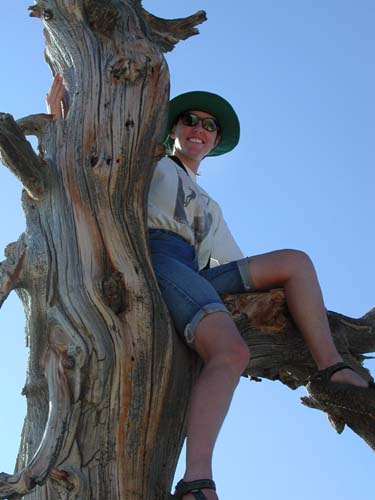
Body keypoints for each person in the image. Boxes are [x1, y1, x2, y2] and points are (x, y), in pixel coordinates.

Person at [47, 75, 371, 500]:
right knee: (230, 351)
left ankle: (333, 370)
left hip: (195, 272)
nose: (198, 129)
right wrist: (64, 113)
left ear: (215, 140)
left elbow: (234, 262)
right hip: (154, 256)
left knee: (295, 263)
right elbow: (94, 154)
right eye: (189, 120)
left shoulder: (208, 204)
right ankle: (196, 480)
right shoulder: (152, 162)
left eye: (208, 126)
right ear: (173, 131)